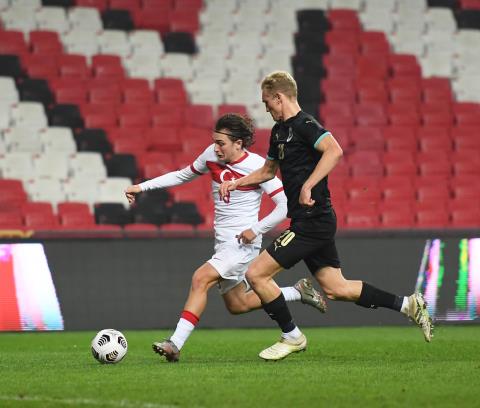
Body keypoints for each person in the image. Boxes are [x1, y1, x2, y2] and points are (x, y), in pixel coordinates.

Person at [219, 71, 434, 361]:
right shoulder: (279, 132)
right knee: (336, 288)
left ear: (279, 98)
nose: (266, 109)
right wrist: (237, 182)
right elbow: (268, 171)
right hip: (310, 221)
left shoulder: (305, 124)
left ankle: (292, 336)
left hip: (312, 221)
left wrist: (308, 185)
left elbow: (334, 151)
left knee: (256, 274)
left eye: (267, 102)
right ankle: (408, 305)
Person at [125, 113, 326, 362]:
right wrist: (141, 187)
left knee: (200, 278)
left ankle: (174, 343)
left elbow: (285, 205)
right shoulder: (211, 155)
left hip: (242, 243)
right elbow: (182, 174)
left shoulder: (259, 166)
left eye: (221, 143)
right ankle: (297, 292)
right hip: (223, 242)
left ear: (238, 143)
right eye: (215, 141)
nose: (216, 148)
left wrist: (256, 230)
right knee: (238, 304)